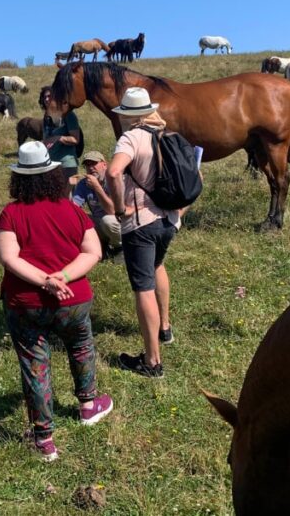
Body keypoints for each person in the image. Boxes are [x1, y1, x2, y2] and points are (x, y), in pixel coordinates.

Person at [0, 141, 113, 462]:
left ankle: (44, 439)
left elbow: (9, 257)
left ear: (18, 178)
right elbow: (94, 252)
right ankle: (88, 406)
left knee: (36, 366)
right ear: (53, 175)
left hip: (25, 303)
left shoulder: (11, 213)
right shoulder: (73, 210)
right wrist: (63, 276)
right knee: (81, 345)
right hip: (74, 300)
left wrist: (45, 280)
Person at [106, 87, 181, 379]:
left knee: (143, 287)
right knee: (158, 266)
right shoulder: (167, 134)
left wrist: (119, 207)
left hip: (141, 223)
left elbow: (113, 172)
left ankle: (152, 362)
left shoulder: (131, 137)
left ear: (128, 115)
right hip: (169, 221)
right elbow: (196, 174)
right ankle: (165, 328)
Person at [71, 151, 122, 258]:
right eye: (87, 165)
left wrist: (97, 187)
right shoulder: (84, 183)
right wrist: (68, 187)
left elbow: (113, 211)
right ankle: (100, 244)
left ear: (104, 165)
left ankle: (120, 248)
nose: (91, 167)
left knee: (108, 220)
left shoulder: (113, 179)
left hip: (121, 222)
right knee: (77, 218)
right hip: (100, 221)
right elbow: (72, 210)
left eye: (94, 163)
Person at [42, 94, 83, 180]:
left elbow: (75, 139)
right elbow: (46, 139)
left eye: (49, 96)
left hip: (66, 164)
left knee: (68, 193)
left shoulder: (68, 115)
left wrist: (58, 138)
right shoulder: (46, 117)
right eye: (44, 97)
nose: (46, 99)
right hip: (50, 164)